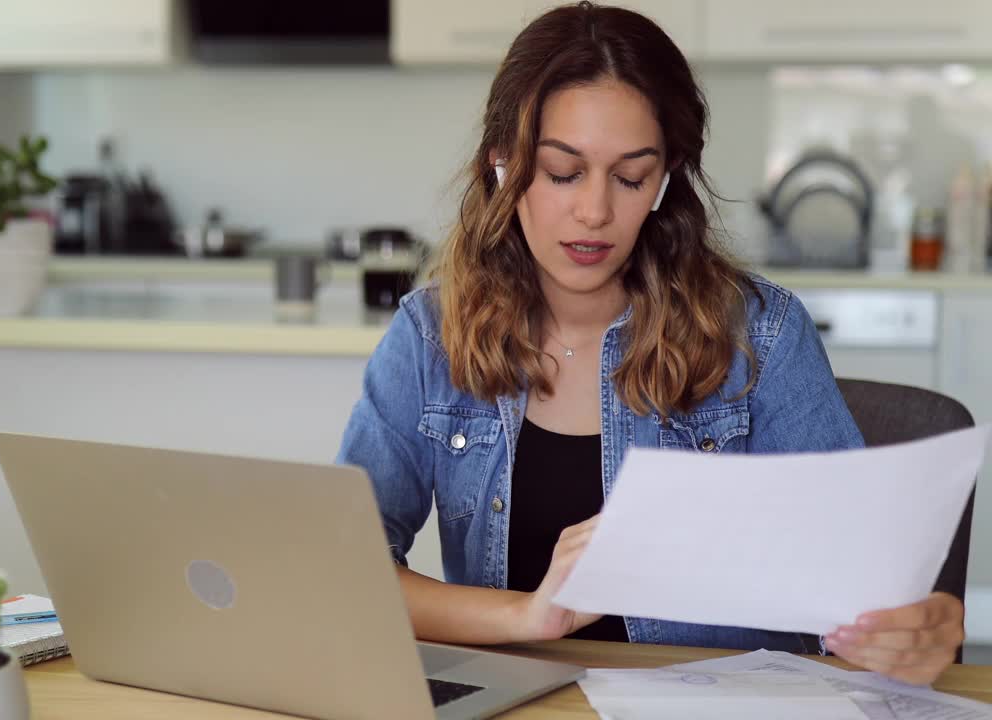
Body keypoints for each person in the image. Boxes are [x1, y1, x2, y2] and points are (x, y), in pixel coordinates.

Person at [334, 1, 964, 685]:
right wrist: (525, 617)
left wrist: (911, 631)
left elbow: (862, 592)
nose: (596, 211)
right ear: (501, 167)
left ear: (665, 180)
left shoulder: (761, 335)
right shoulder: (429, 337)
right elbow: (346, 569)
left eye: (631, 177)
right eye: (562, 172)